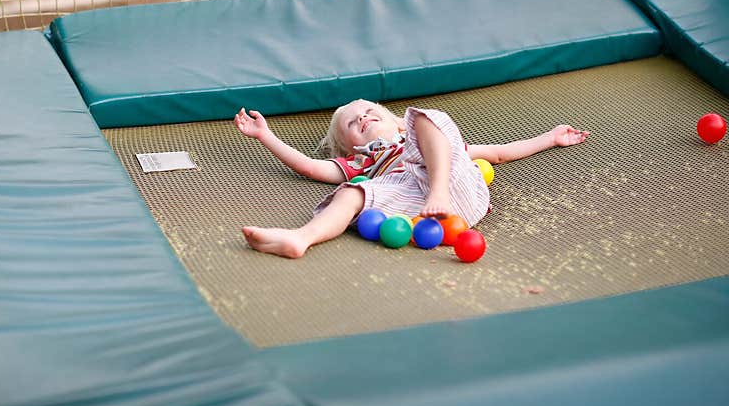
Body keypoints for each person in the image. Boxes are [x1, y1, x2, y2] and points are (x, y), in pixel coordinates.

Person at [234, 99, 589, 258]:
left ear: (397, 123)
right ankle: (299, 239)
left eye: (370, 111)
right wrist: (266, 136)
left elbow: (496, 154)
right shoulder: (364, 162)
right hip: (410, 205)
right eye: (352, 123)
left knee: (431, 117)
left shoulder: (417, 132)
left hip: (454, 192)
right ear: (350, 148)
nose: (363, 117)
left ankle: (439, 194)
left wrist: (549, 138)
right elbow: (310, 167)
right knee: (352, 193)